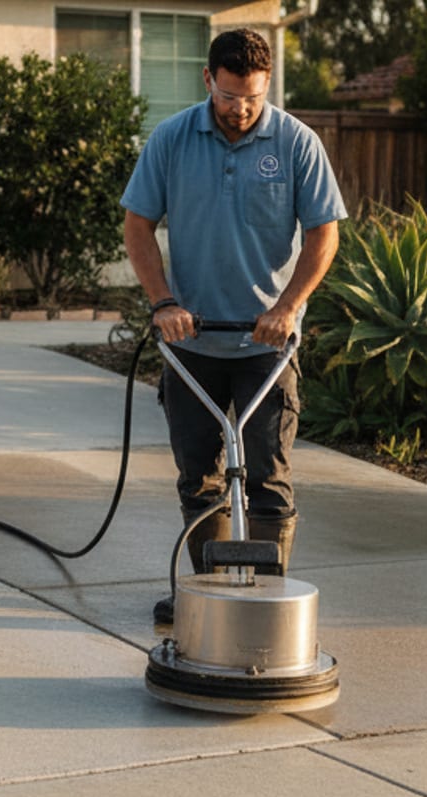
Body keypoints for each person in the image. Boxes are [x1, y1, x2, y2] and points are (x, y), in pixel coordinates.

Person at [121, 28, 346, 624]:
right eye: (228, 96)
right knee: (199, 475)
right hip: (190, 342)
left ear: (266, 85)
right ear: (208, 81)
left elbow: (325, 232)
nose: (240, 109)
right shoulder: (171, 140)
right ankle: (206, 600)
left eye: (252, 97)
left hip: (265, 346)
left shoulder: (297, 143)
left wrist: (289, 306)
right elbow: (137, 225)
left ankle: (265, 606)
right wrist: (163, 301)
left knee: (268, 476)